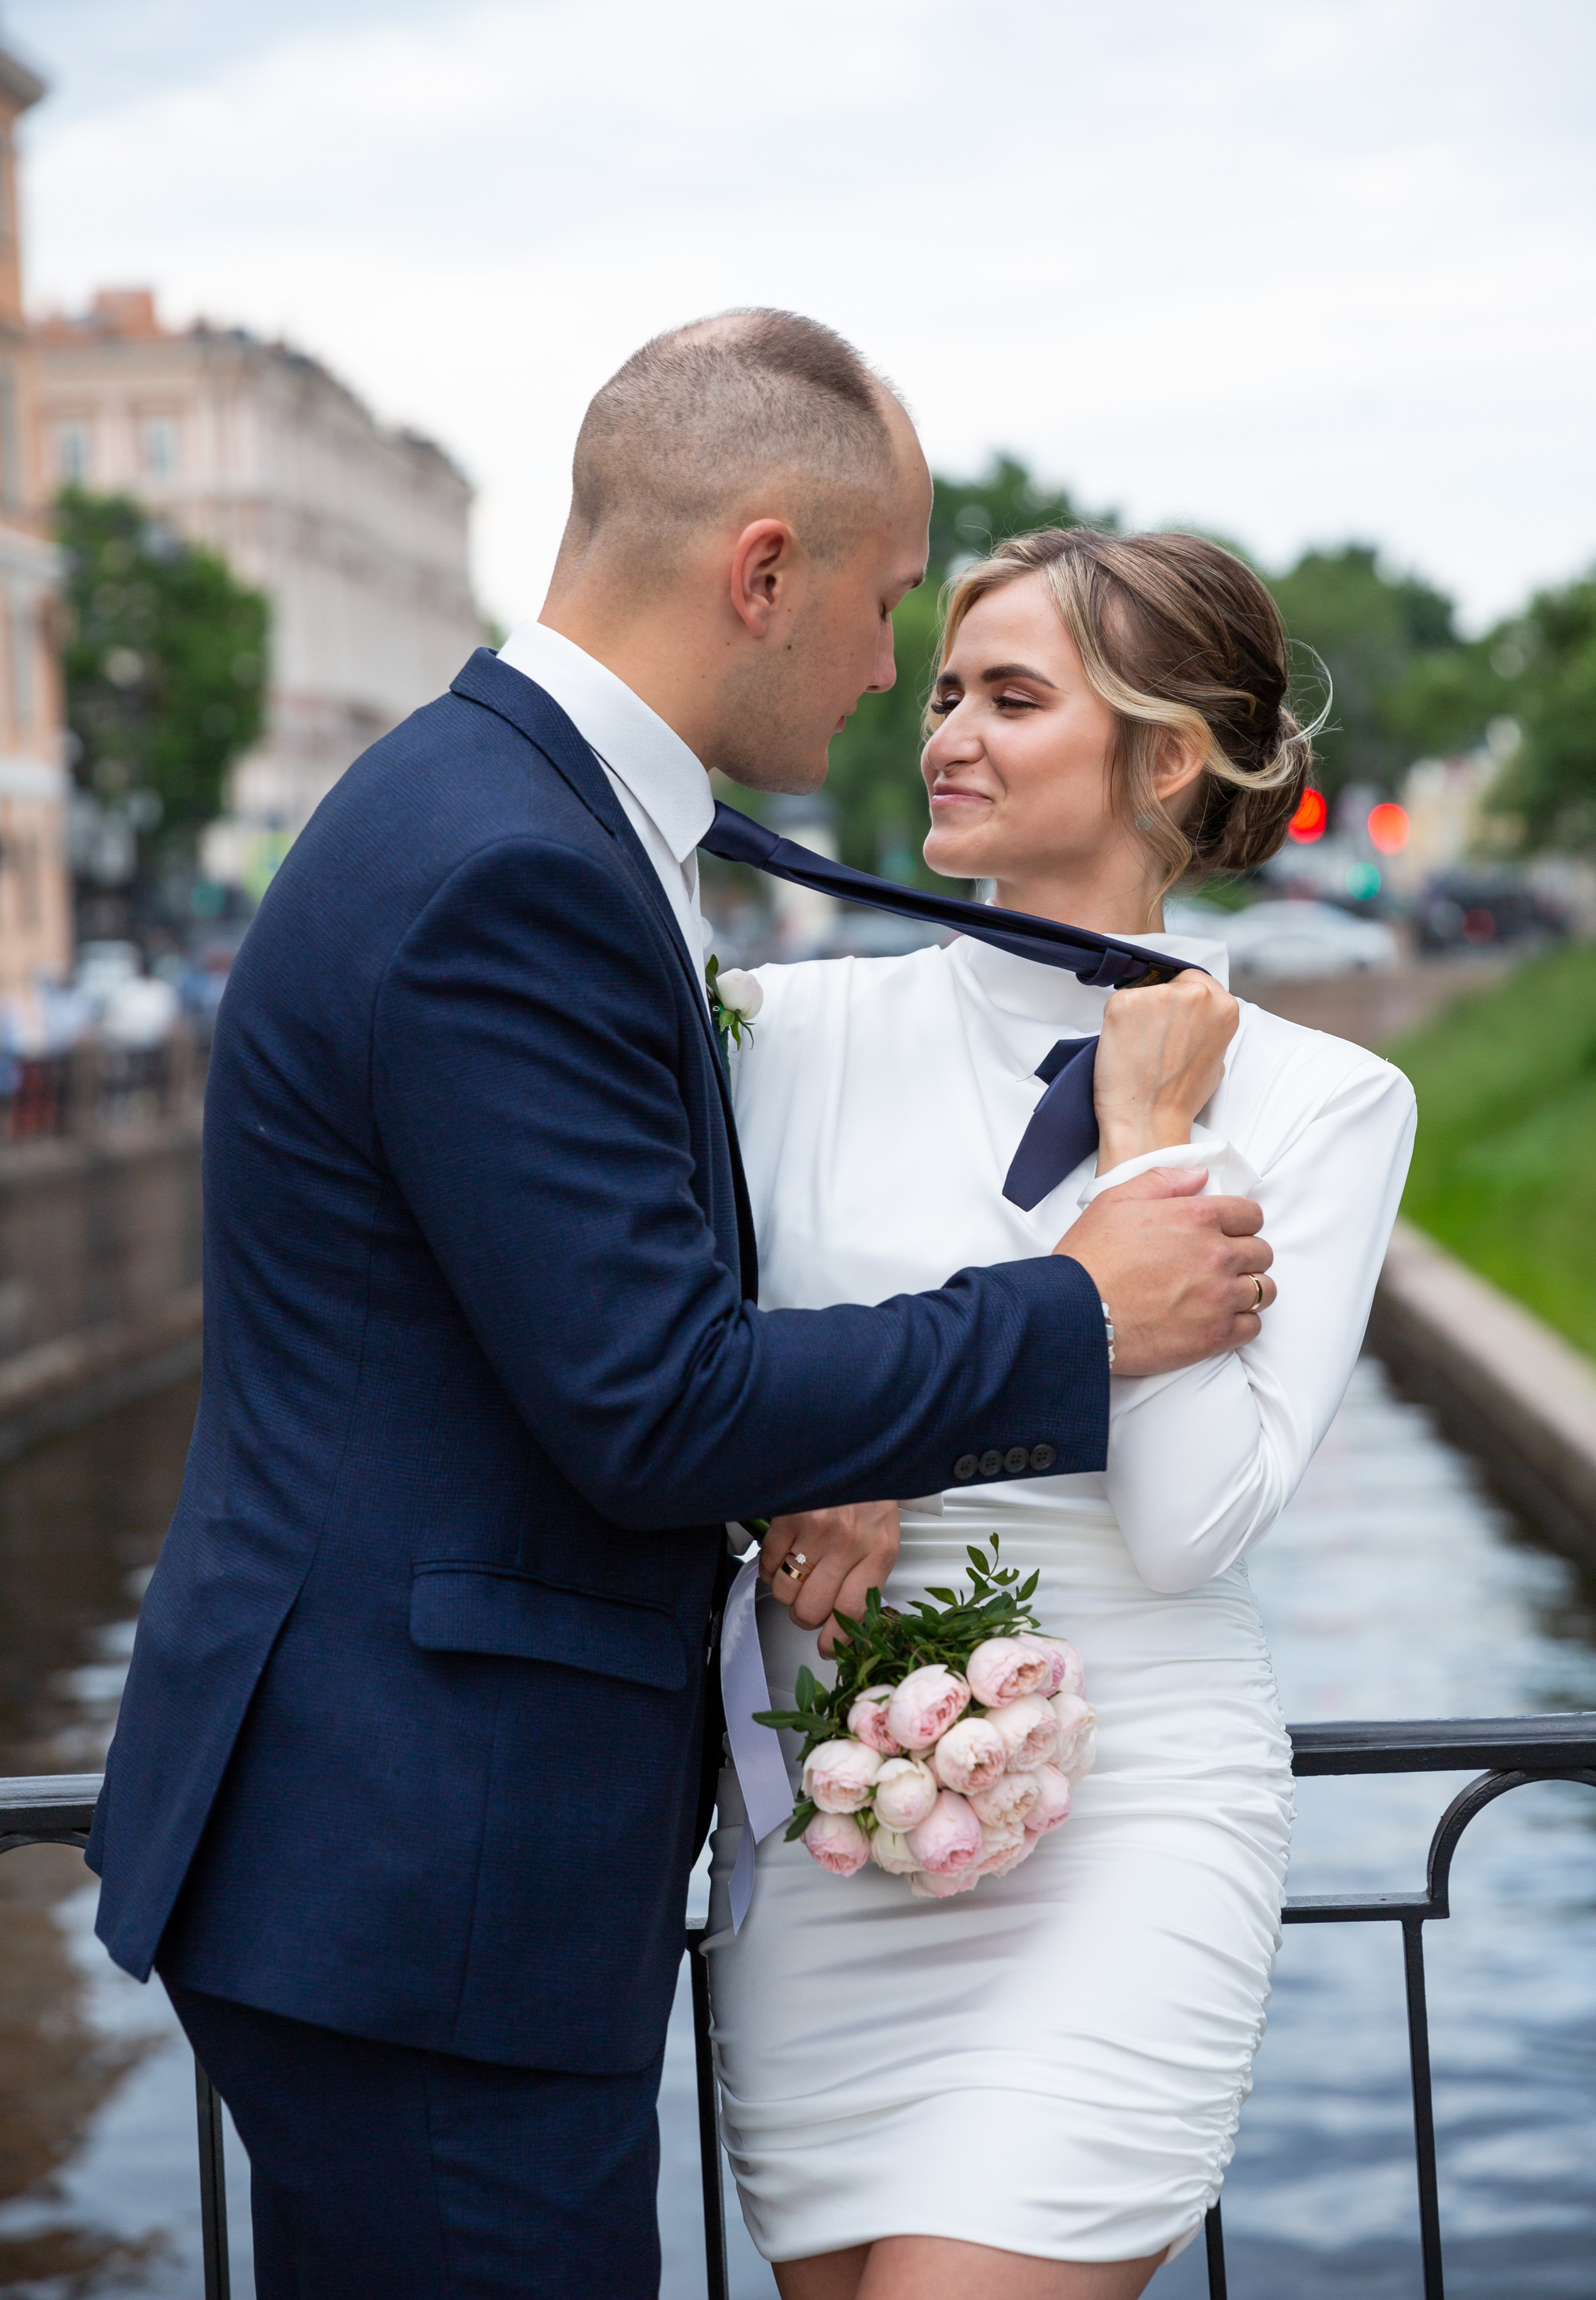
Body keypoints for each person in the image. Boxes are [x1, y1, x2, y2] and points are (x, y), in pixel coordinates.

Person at [84, 314, 1274, 2299]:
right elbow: (649, 1399)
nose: (897, 673)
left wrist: (862, 1447)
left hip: (410, 1861)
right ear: (766, 572)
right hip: (422, 1871)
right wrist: (1076, 1313)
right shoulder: (507, 866)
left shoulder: (514, 812)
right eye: (894, 605)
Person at [707, 525, 1417, 2300]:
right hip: (825, 1837)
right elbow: (659, 1389)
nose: (945, 730)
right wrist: (829, 1449)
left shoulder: (1327, 1101)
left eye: (1012, 698)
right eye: (945, 688)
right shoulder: (783, 1031)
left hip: (1130, 1827)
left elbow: (1187, 1527)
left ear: (1166, 757)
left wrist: (1149, 1143)